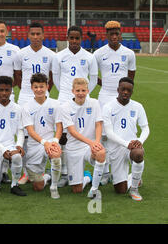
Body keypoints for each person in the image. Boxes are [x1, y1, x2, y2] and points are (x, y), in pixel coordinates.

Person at [52, 25, 98, 187]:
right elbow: (56, 78)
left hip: (83, 99)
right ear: (67, 38)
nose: (73, 41)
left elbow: (92, 79)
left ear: (81, 39)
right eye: (71, 38)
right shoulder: (59, 56)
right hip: (64, 98)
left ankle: (85, 169)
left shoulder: (89, 57)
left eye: (77, 38)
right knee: (64, 136)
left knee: (83, 132)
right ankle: (65, 171)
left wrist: (83, 94)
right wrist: (66, 93)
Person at [94, 20, 136, 185]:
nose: (114, 36)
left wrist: (124, 90)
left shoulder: (129, 53)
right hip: (104, 96)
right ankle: (104, 171)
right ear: (106, 35)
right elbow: (91, 74)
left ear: (120, 34)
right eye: (111, 34)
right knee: (104, 134)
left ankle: (120, 169)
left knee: (119, 132)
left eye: (116, 33)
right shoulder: (98, 53)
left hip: (121, 98)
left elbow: (131, 75)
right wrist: (104, 84)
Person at [16, 22, 55, 185]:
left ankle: (44, 169)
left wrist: (44, 92)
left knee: (42, 132)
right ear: (28, 35)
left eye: (39, 34)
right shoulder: (21, 53)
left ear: (43, 35)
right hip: (25, 97)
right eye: (33, 34)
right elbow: (17, 75)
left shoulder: (51, 55)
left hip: (43, 97)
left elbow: (52, 78)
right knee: (25, 135)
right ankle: (26, 172)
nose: (36, 37)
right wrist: (27, 91)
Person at [102, 77, 149, 201]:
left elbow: (145, 128)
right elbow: (109, 132)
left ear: (132, 92)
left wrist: (140, 141)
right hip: (116, 148)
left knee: (138, 153)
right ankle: (135, 178)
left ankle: (134, 189)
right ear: (118, 89)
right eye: (123, 89)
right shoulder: (108, 107)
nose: (125, 92)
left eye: (129, 90)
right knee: (120, 190)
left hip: (132, 147)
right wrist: (126, 143)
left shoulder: (138, 106)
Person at [60, 78, 106, 199]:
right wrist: (91, 142)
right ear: (72, 91)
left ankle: (94, 189)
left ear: (88, 90)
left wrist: (96, 142)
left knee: (101, 152)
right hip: (74, 148)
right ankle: (87, 177)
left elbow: (98, 124)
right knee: (76, 189)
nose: (80, 93)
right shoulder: (65, 107)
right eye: (78, 90)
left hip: (88, 146)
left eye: (83, 90)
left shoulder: (94, 103)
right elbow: (72, 131)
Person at [21, 73, 63, 199]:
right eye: (36, 87)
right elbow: (30, 130)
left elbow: (59, 126)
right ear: (32, 88)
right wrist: (45, 142)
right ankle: (47, 176)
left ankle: (54, 187)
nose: (39, 89)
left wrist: (55, 141)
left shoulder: (55, 104)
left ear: (47, 87)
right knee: (38, 187)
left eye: (41, 86)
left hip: (51, 142)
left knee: (55, 154)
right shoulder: (26, 107)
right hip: (35, 145)